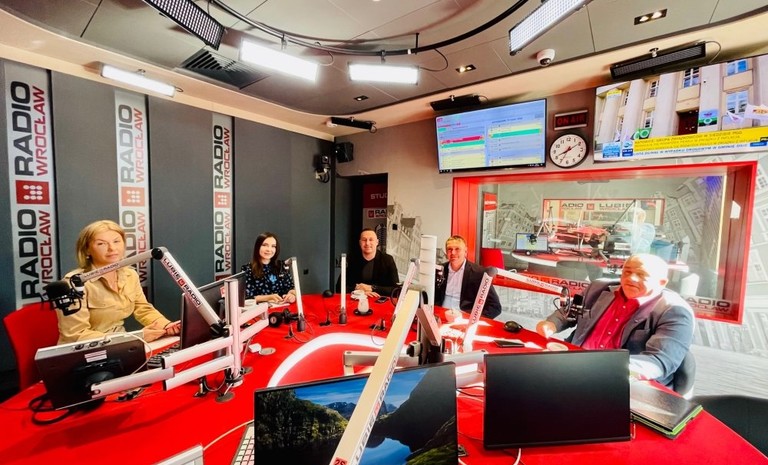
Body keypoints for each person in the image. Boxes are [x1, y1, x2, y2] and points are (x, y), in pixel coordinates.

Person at [536, 253, 694, 387]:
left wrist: (599, 366)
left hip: (623, 382)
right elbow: (570, 312)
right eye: (627, 271)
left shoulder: (675, 312)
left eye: (641, 275)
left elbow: (658, 362)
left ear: (661, 283)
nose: (631, 278)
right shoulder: (598, 288)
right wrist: (552, 323)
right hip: (573, 367)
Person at [56, 220, 180, 344]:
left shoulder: (130, 275)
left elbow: (143, 309)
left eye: (116, 241)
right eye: (101, 243)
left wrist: (166, 326)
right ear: (87, 250)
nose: (112, 248)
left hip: (122, 344)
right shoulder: (75, 283)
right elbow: (76, 334)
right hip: (88, 349)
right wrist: (135, 337)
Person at [434, 235, 501, 319]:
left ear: (465, 252)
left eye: (457, 249)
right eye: (449, 249)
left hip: (464, 320)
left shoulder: (478, 273)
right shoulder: (439, 270)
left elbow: (495, 307)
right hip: (439, 316)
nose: (453, 253)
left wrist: (474, 320)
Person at [336, 228, 399, 298]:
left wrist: (372, 288)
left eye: (371, 240)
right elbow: (339, 287)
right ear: (360, 243)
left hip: (379, 301)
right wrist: (358, 291)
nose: (367, 243)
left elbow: (396, 290)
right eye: (364, 240)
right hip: (356, 300)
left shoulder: (388, 260)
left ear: (377, 242)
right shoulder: (351, 259)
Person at [241, 232, 296, 304]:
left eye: (273, 246)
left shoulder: (282, 266)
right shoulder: (247, 269)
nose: (269, 249)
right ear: (258, 247)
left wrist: (292, 295)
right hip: (260, 309)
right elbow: (247, 298)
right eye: (265, 245)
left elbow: (291, 288)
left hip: (282, 307)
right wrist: (269, 297)